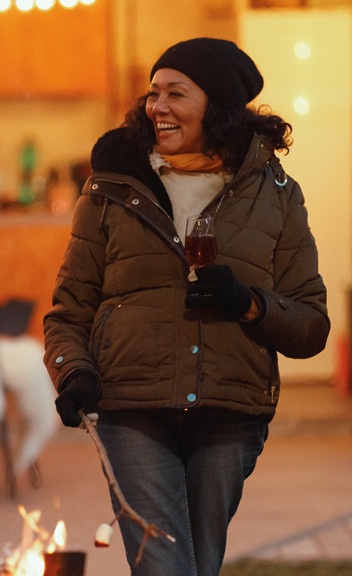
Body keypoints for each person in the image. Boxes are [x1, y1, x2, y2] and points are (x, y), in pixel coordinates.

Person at [43, 38, 329, 576]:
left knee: (199, 565)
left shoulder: (276, 195)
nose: (159, 107)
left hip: (230, 411)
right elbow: (70, 308)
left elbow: (311, 324)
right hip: (132, 407)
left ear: (216, 107)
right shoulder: (111, 187)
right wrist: (72, 371)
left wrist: (247, 304)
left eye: (177, 93)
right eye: (154, 94)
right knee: (164, 568)